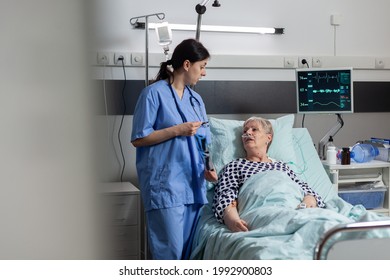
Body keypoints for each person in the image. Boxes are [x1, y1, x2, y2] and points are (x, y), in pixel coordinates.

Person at [131, 38, 218, 260]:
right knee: (170, 254)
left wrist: (209, 167)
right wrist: (177, 130)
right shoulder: (153, 94)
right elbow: (139, 139)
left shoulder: (196, 100)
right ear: (187, 65)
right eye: (202, 67)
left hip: (194, 185)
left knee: (188, 257)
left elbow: (203, 141)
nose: (204, 73)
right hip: (166, 186)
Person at [212, 117, 326, 232]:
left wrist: (308, 202)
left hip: (294, 207)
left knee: (327, 223)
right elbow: (225, 196)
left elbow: (305, 189)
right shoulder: (235, 166)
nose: (248, 133)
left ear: (268, 137)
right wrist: (233, 221)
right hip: (261, 210)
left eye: (254, 129)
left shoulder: (282, 166)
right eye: (245, 131)